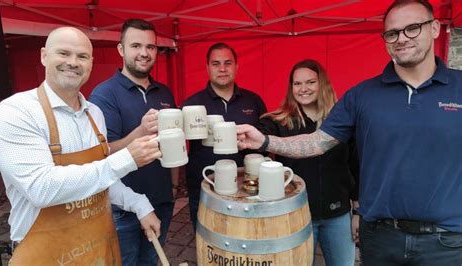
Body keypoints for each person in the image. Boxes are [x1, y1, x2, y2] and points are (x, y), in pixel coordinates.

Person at [237, 0, 462, 265]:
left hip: (446, 241)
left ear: (435, 28)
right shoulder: (362, 95)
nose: (402, 38)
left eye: (413, 28)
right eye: (392, 32)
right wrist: (264, 141)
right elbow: (317, 142)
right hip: (380, 236)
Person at [0, 27, 162, 265]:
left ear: (91, 63)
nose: (73, 62)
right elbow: (41, 188)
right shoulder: (16, 112)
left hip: (97, 250)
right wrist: (127, 158)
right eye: (63, 53)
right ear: (43, 56)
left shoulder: (95, 114)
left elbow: (98, 182)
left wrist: (139, 204)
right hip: (46, 257)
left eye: (81, 56)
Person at [89, 19, 177, 266]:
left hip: (161, 200)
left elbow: (171, 143)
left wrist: (174, 184)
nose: (144, 53)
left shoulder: (164, 92)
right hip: (123, 208)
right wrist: (139, 131)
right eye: (136, 45)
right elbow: (102, 153)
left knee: (150, 262)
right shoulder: (104, 94)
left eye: (150, 47)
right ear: (121, 50)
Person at [257, 59, 359, 266]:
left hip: (337, 214)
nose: (303, 89)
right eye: (297, 84)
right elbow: (259, 140)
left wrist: (357, 212)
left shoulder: (342, 120)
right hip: (296, 216)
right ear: (291, 88)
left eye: (310, 82)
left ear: (322, 84)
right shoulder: (279, 121)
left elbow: (356, 165)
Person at [182, 42, 267, 229]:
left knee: (246, 239)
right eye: (216, 63)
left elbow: (265, 142)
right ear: (207, 68)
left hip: (246, 189)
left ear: (236, 67)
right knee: (207, 242)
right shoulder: (192, 104)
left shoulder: (253, 101)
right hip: (204, 187)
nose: (222, 69)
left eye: (228, 63)